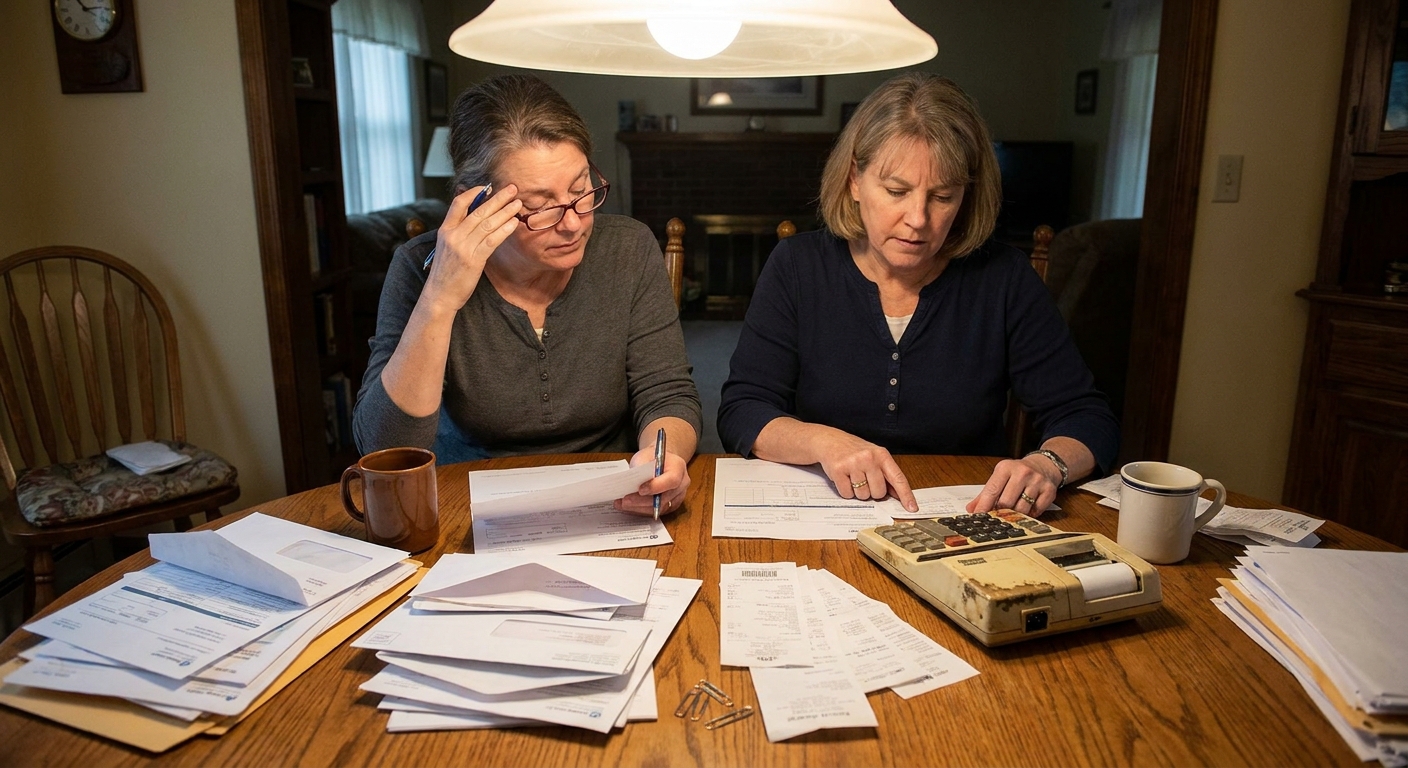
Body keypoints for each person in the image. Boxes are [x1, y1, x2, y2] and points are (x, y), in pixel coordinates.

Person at [716, 72, 1118, 518]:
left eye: (942, 196)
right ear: (854, 181)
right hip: (827, 513)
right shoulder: (797, 266)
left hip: (967, 518)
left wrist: (1049, 464)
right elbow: (742, 410)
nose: (918, 219)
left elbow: (1086, 416)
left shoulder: (1003, 278)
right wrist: (823, 441)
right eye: (896, 191)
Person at [353, 74, 700, 516]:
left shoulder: (627, 248)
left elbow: (667, 392)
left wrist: (662, 459)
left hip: (611, 497)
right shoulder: (417, 268)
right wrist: (439, 300)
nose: (573, 223)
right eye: (541, 207)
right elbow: (385, 448)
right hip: (468, 503)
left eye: (580, 191)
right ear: (478, 204)